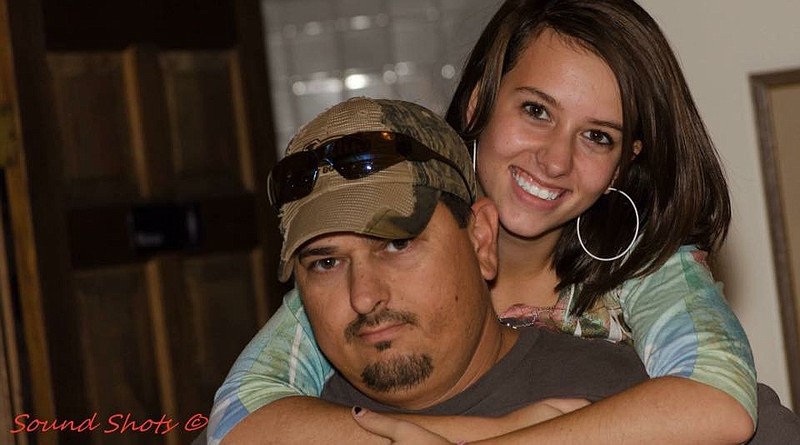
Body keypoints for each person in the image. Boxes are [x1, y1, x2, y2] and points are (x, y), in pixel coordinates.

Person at [209, 0, 762, 443]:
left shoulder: (649, 270)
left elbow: (719, 399)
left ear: (626, 161)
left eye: (598, 136)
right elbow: (239, 416)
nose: (554, 160)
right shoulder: (379, 248)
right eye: (536, 111)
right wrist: (487, 430)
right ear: (478, 106)